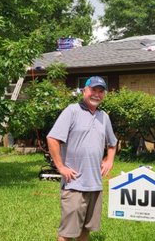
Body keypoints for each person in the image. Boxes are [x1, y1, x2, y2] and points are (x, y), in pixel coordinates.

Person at [47, 76, 118, 241]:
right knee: (67, 233)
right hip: (74, 184)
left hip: (95, 184)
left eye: (101, 91)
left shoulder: (104, 116)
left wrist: (109, 160)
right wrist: (61, 167)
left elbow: (112, 144)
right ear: (84, 91)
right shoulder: (72, 111)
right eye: (93, 90)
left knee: (86, 229)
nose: (97, 94)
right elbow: (52, 138)